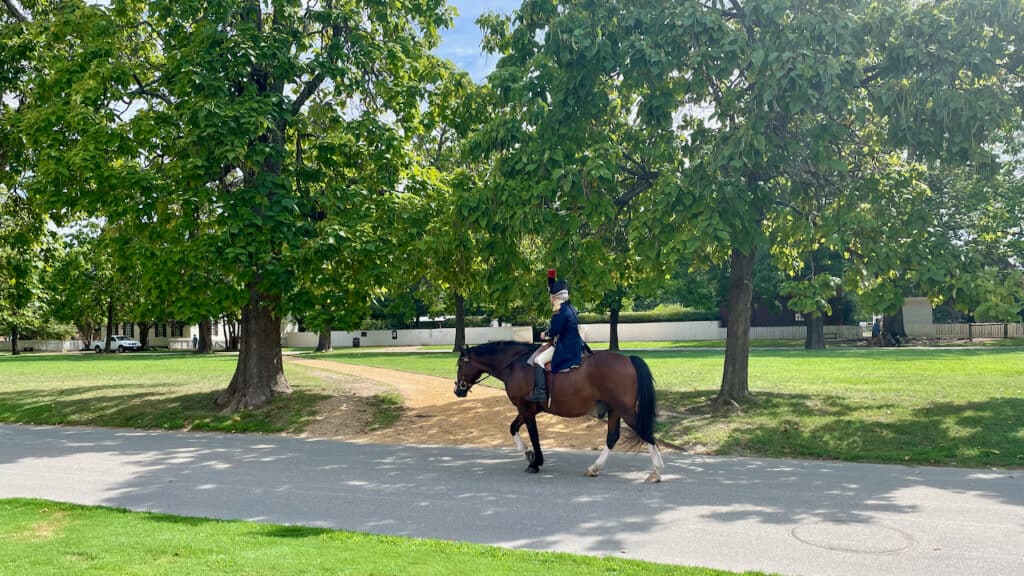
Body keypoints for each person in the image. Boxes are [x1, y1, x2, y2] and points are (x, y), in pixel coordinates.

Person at [527, 269, 584, 403]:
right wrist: (551, 276)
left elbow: (553, 331)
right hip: (576, 343)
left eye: (551, 297)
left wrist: (544, 334)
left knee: (538, 360)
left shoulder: (560, 312)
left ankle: (540, 392)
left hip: (565, 347)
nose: (550, 299)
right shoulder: (572, 308)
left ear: (556, 297)